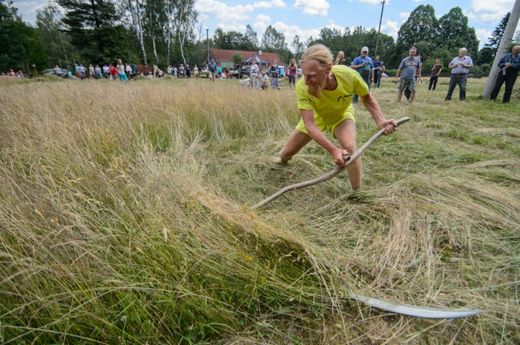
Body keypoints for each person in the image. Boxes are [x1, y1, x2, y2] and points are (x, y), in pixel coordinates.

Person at [278, 44, 396, 191]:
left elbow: (366, 97)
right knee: (286, 153)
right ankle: (281, 163)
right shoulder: (302, 86)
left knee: (350, 148)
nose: (306, 81)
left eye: (312, 76)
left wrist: (380, 120)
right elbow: (310, 125)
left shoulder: (348, 75)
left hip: (341, 115)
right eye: (304, 75)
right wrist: (334, 150)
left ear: (328, 68)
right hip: (317, 117)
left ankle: (357, 193)